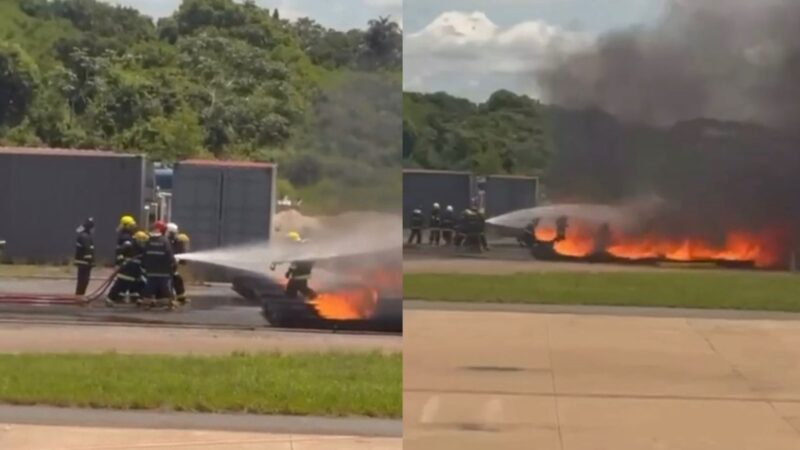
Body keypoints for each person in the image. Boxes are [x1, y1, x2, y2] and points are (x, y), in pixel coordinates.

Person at [140, 221, 177, 309]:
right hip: (164, 271)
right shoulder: (165, 241)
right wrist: (173, 263)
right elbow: (169, 254)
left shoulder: (149, 240)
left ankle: (146, 303)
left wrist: (145, 266)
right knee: (165, 287)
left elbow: (144, 254)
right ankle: (168, 304)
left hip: (151, 270)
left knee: (150, 287)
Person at [106, 239, 145, 307]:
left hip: (129, 271)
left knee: (124, 284)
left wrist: (120, 262)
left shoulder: (131, 247)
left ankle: (136, 298)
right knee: (123, 284)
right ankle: (112, 299)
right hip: (131, 271)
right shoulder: (140, 249)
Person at [284, 231, 317, 300]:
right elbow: (294, 263)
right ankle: (293, 301)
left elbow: (295, 263)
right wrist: (289, 271)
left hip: (300, 273)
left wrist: (289, 272)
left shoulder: (304, 251)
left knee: (298, 288)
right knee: (294, 288)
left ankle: (314, 297)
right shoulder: (301, 250)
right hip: (300, 273)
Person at [166, 222, 191, 306]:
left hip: (171, 267)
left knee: (178, 279)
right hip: (165, 268)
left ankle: (181, 298)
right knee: (171, 281)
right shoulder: (167, 241)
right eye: (174, 233)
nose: (175, 234)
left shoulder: (173, 241)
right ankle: (169, 298)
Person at [74, 217, 95, 298]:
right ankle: (79, 297)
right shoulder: (85, 237)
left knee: (82, 281)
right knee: (83, 281)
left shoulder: (84, 236)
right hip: (84, 264)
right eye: (93, 228)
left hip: (83, 263)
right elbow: (87, 250)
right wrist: (90, 261)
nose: (94, 230)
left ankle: (79, 296)